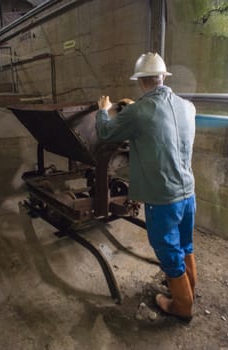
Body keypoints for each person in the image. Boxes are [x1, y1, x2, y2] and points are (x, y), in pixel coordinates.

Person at [95, 52, 197, 321]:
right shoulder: (188, 107)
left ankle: (182, 307)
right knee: (185, 244)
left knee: (168, 251)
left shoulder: (139, 111)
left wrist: (103, 112)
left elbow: (106, 133)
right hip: (188, 192)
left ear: (140, 81)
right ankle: (190, 289)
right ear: (163, 77)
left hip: (163, 198)